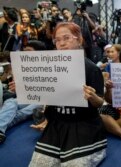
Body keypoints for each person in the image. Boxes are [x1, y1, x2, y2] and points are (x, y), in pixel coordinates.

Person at [29, 22, 107, 166]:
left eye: (66, 38)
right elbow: (49, 97)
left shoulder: (91, 69)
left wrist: (93, 97)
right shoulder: (48, 67)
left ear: (80, 40)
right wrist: (26, 86)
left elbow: (100, 103)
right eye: (57, 40)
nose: (62, 44)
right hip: (56, 126)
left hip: (83, 126)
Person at [0, 40, 46, 144]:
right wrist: (18, 88)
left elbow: (48, 90)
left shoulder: (50, 68)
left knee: (27, 110)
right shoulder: (23, 67)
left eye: (29, 51)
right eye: (24, 51)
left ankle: (2, 125)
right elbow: (20, 93)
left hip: (43, 100)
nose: (25, 54)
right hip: (26, 98)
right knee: (11, 102)